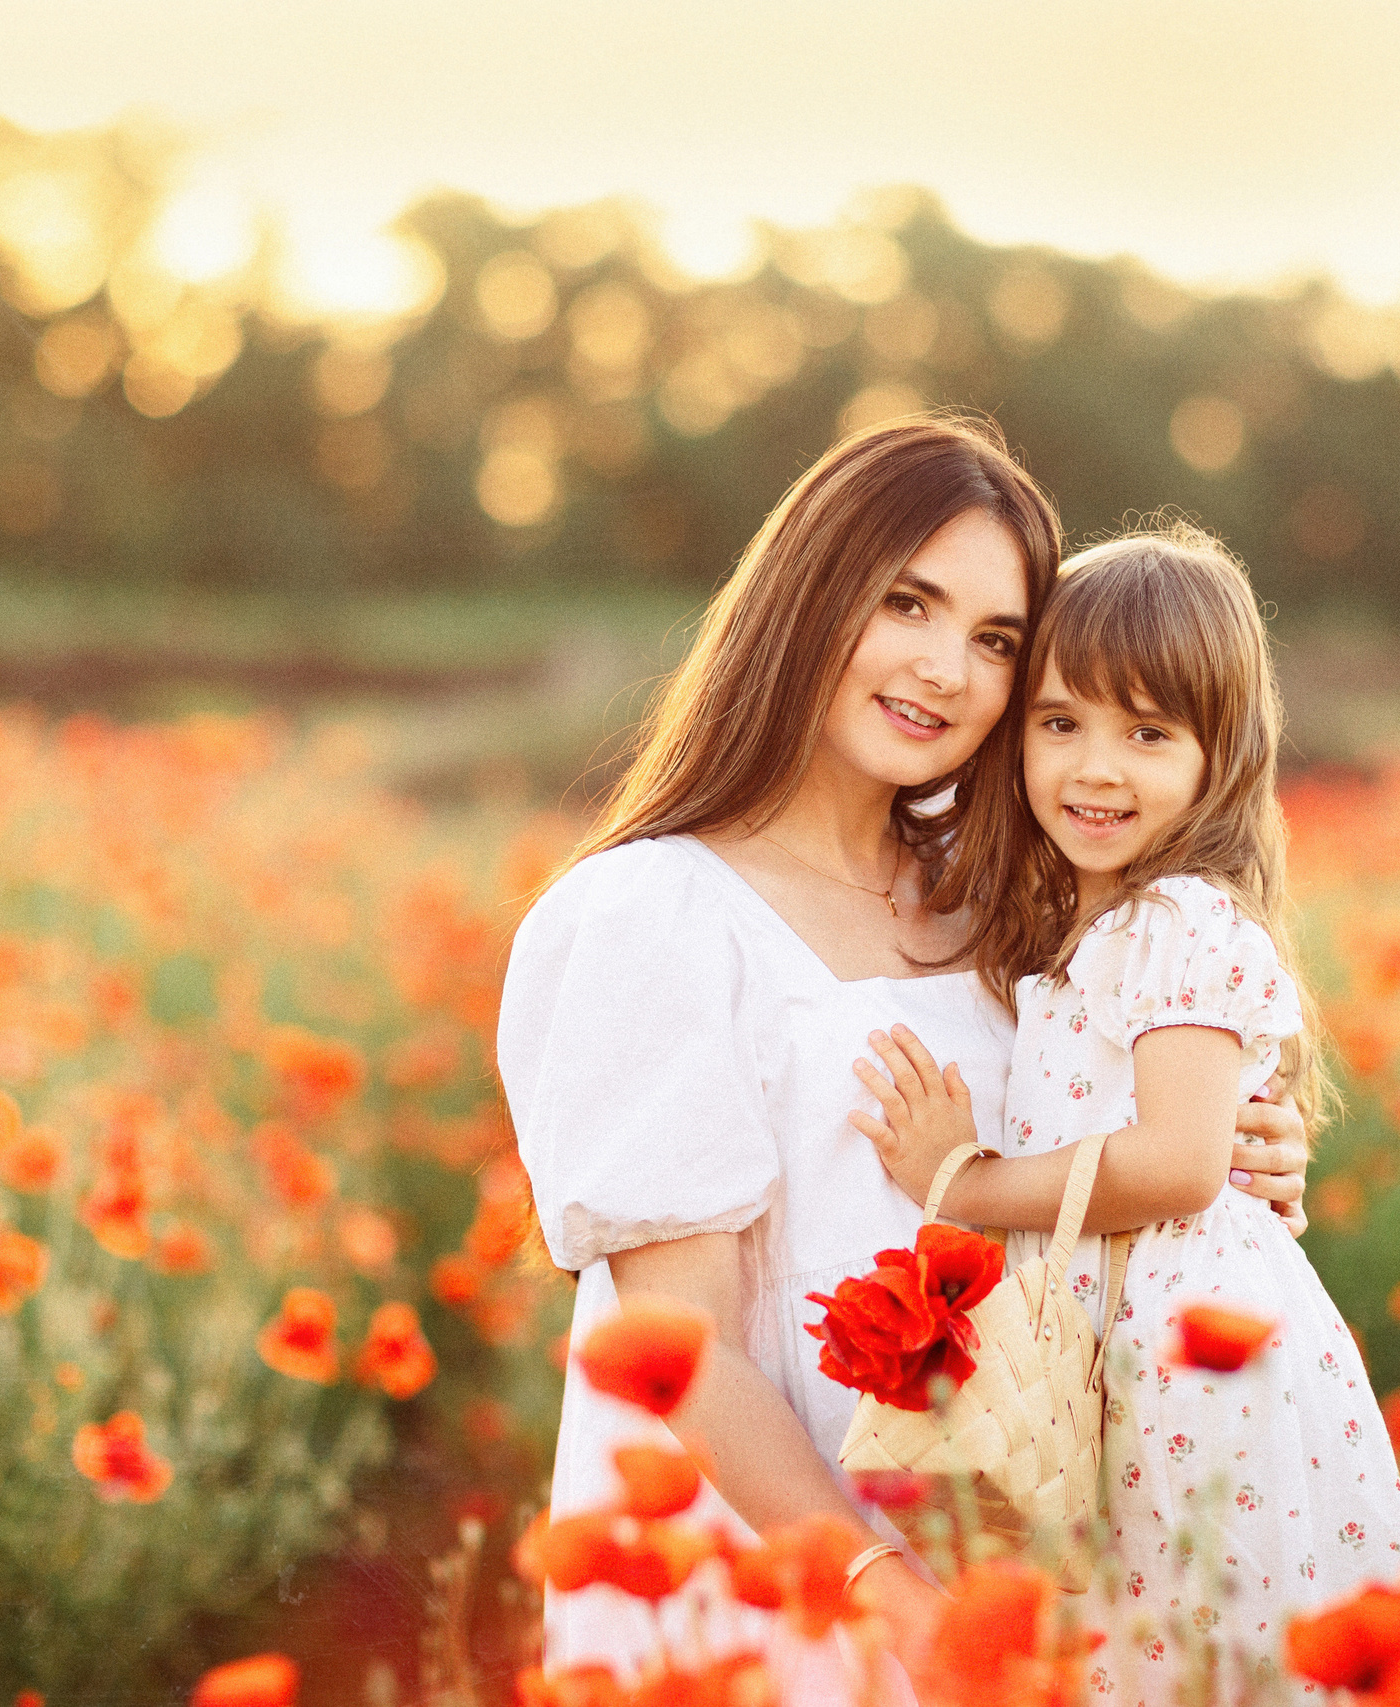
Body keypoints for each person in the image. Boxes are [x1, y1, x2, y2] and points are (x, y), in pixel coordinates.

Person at [495, 419, 1314, 1683]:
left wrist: (1238, 1146)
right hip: (782, 1581)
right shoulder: (649, 915)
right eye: (907, 603)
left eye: (996, 641)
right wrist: (893, 1608)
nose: (946, 669)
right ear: (808, 595)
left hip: (1012, 1543)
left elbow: (1120, 1140)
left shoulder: (1005, 899)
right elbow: (684, 1348)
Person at [851, 521, 1400, 1701]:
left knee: (1196, 1642)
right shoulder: (1098, 923)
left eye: (1147, 734)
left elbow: (1177, 1164)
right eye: (1059, 724)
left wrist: (961, 1181)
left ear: (1221, 755)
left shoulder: (1176, 920)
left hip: (1179, 1364)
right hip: (1131, 1347)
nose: (1095, 769)